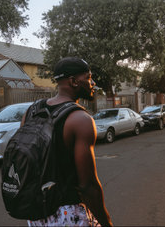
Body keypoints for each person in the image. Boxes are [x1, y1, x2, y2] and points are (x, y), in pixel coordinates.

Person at [25, 57, 113, 227]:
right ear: (73, 81)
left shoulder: (32, 111)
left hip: (37, 214)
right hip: (68, 215)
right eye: (88, 78)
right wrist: (106, 223)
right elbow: (88, 186)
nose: (92, 83)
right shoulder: (80, 120)